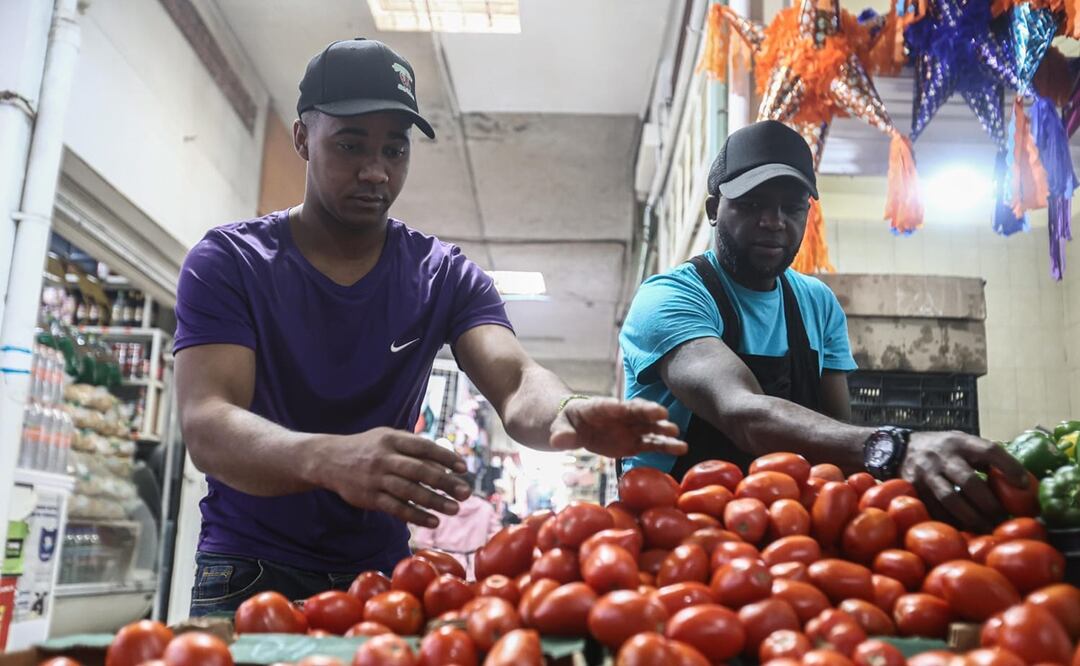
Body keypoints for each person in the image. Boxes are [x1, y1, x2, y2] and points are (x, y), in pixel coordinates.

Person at [174, 38, 686, 616]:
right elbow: (207, 423)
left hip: (382, 576)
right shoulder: (229, 262)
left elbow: (516, 380)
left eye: (395, 150)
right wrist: (327, 458)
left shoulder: (442, 275)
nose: (375, 171)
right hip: (247, 569)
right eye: (350, 145)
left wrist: (570, 413)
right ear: (302, 139)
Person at [618, 119, 1028, 533]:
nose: (773, 221)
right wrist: (895, 446)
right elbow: (741, 412)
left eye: (792, 207)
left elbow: (837, 440)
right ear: (713, 210)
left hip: (784, 533)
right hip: (671, 534)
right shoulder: (669, 298)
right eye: (752, 203)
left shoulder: (816, 303)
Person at [410, 473, 500, 580]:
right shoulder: (486, 507)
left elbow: (422, 540)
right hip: (477, 566)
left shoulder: (438, 506)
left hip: (443, 567)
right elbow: (496, 537)